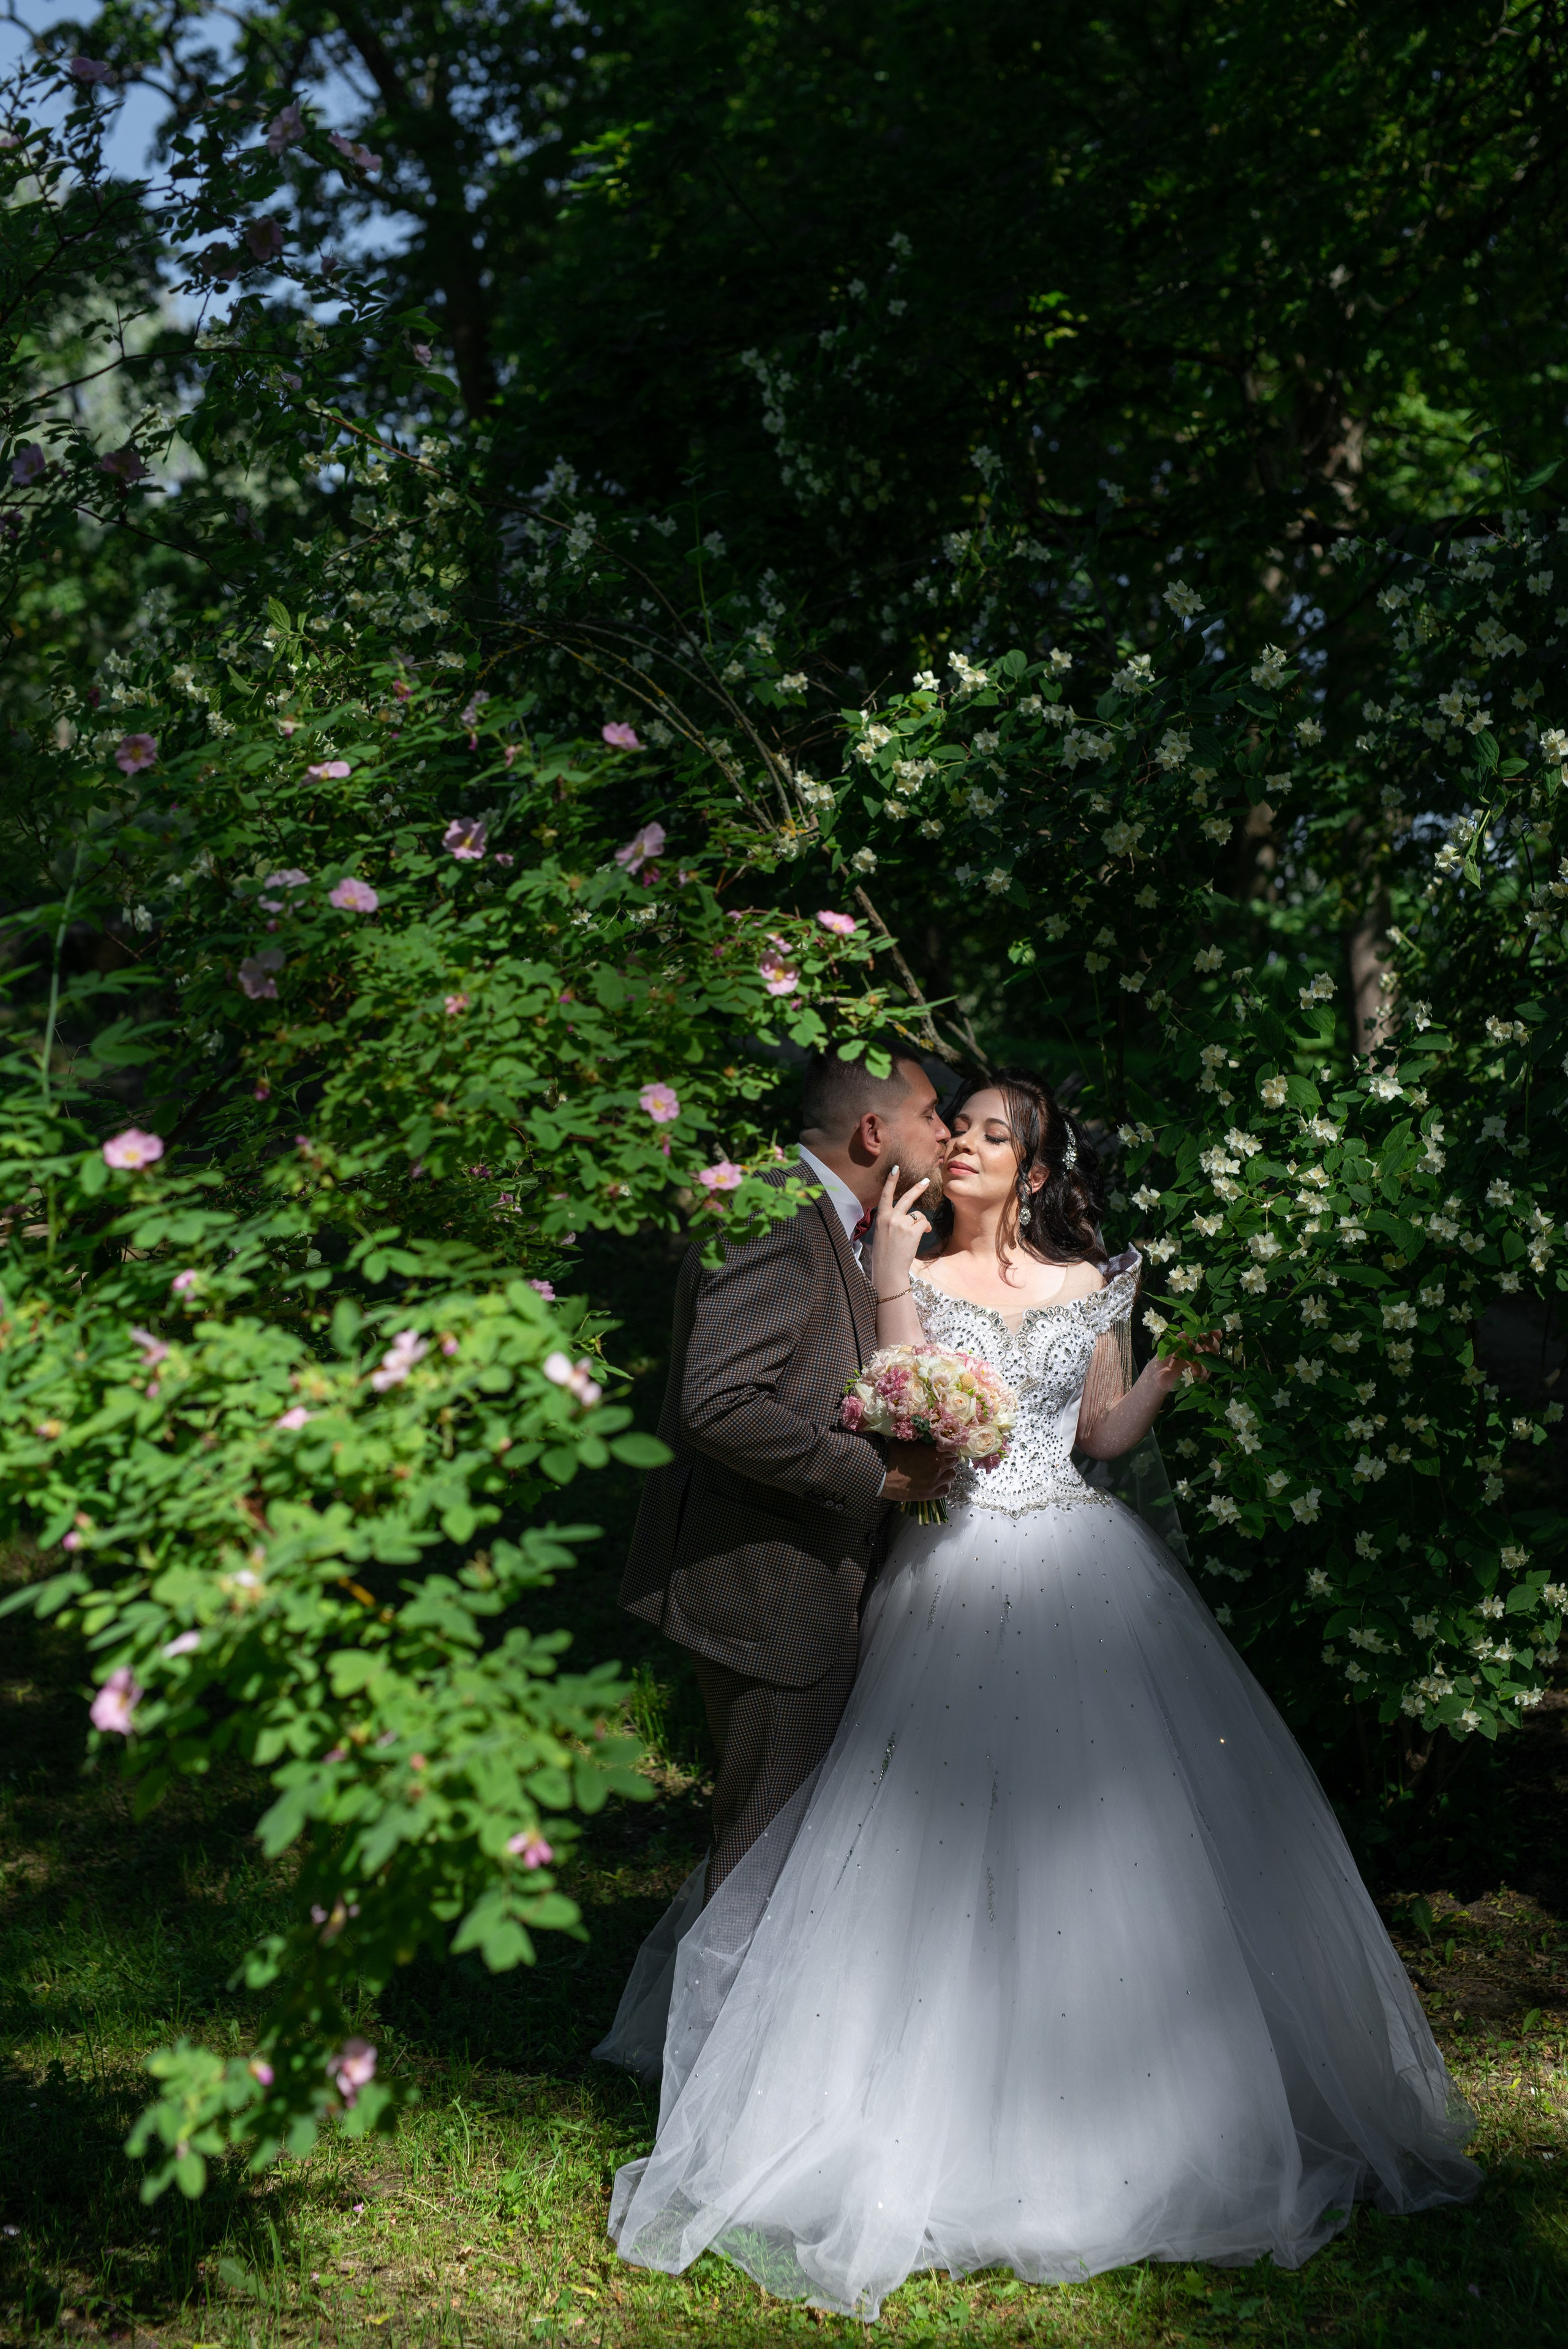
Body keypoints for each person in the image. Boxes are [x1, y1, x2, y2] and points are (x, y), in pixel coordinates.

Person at [603, 1069, 1479, 2319]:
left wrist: (1171, 1367)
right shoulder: (902, 1272)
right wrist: (895, 1280)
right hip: (949, 1569)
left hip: (1081, 1565)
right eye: (953, 1125)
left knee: (1119, 1835)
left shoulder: (1093, 1284)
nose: (962, 1143)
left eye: (989, 1134)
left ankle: (1134, 2109)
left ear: (1037, 1167)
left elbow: (1102, 1435)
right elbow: (900, 1414)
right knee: (920, 1836)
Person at [614, 1037, 955, 1904]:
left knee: (792, 1844)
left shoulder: (834, 1218)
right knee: (766, 1847)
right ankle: (719, 2000)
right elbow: (721, 1403)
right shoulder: (776, 1216)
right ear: (873, 1132)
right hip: (766, 1590)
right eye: (930, 1116)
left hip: (804, 1586)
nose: (946, 1133)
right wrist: (875, 1478)